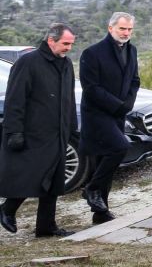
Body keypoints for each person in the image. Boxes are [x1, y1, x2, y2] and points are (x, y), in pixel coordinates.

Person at [0, 24, 78, 237]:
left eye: (71, 44)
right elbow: (15, 99)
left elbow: (69, 97)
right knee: (33, 175)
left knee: (53, 181)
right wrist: (14, 131)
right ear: (51, 40)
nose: (69, 48)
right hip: (34, 132)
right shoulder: (28, 62)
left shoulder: (66, 63)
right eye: (65, 43)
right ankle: (7, 209)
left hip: (58, 132)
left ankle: (46, 227)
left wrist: (72, 126)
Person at [79, 12, 140, 224]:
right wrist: (117, 105)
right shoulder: (92, 53)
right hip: (97, 114)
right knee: (120, 147)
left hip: (118, 114)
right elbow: (90, 88)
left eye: (129, 29)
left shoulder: (131, 50)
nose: (126, 33)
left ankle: (100, 212)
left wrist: (128, 104)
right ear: (110, 28)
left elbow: (134, 80)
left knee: (104, 161)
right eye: (122, 28)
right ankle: (92, 188)